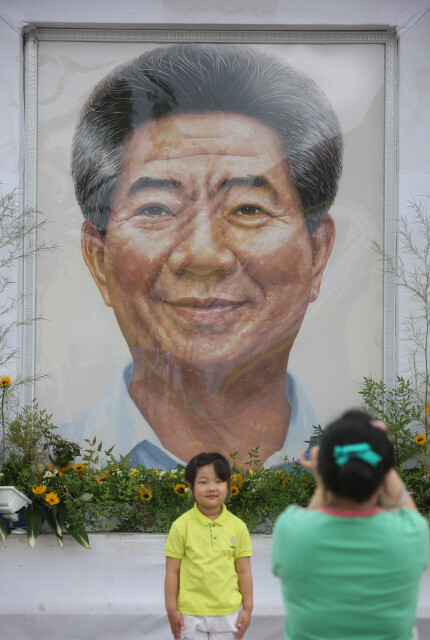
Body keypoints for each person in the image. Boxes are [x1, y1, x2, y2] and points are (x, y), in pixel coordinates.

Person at [66, 43, 343, 469]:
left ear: (317, 253)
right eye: (156, 209)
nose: (203, 254)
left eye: (248, 209)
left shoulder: (398, 479)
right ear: (98, 260)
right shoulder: (31, 472)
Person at [272, 410, 430, 640]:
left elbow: (309, 519)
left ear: (325, 469)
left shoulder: (291, 530)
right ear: (383, 469)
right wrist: (380, 451)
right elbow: (405, 507)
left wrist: (322, 477)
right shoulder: (411, 533)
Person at [164, 451, 253, 640]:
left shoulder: (238, 527)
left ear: (228, 485)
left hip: (228, 613)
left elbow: (244, 572)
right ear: (190, 487)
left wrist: (248, 607)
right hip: (190, 613)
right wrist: (171, 609)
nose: (212, 488)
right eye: (203, 482)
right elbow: (172, 572)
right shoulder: (181, 526)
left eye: (219, 481)